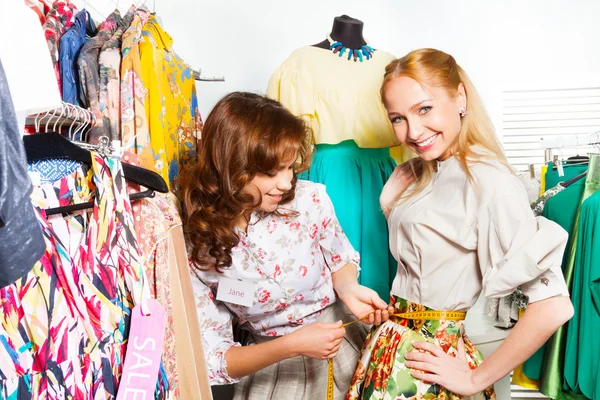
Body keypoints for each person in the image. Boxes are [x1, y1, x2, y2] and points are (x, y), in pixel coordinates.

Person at [346, 48, 574, 399]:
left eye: (424, 109)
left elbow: (553, 305)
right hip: (393, 352)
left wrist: (474, 379)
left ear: (460, 98)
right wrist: (391, 206)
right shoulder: (426, 171)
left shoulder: (489, 180)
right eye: (398, 118)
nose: (412, 131)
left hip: (429, 366)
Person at [180, 92, 392, 400]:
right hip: (273, 374)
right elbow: (215, 360)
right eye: (270, 172)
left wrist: (348, 288)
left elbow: (340, 257)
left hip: (345, 346)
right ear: (231, 166)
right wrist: (291, 345)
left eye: (290, 167)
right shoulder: (197, 246)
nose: (286, 182)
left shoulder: (310, 200)